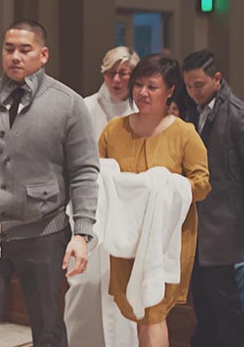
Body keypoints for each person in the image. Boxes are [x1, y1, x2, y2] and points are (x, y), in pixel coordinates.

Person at [0, 19, 99, 347]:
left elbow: (84, 171)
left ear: (43, 55)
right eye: (9, 48)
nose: (15, 56)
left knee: (49, 326)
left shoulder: (69, 104)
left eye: (25, 50)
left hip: (45, 232)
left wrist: (82, 233)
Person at [98, 54, 211, 346]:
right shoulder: (114, 130)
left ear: (170, 90)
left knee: (153, 313)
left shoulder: (184, 133)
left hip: (165, 240)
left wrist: (167, 186)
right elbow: (96, 175)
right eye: (138, 85)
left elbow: (202, 184)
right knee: (137, 311)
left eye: (152, 87)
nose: (142, 93)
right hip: (126, 239)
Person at [65, 46, 140, 347]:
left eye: (124, 73)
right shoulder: (84, 106)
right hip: (85, 204)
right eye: (111, 73)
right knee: (82, 281)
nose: (117, 79)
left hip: (126, 207)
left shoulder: (141, 110)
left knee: (122, 284)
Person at [181, 49, 244, 346]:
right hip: (198, 230)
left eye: (199, 85)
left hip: (227, 233)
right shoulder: (189, 111)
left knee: (230, 313)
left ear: (217, 79)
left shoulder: (238, 116)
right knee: (204, 310)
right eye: (188, 86)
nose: (193, 92)